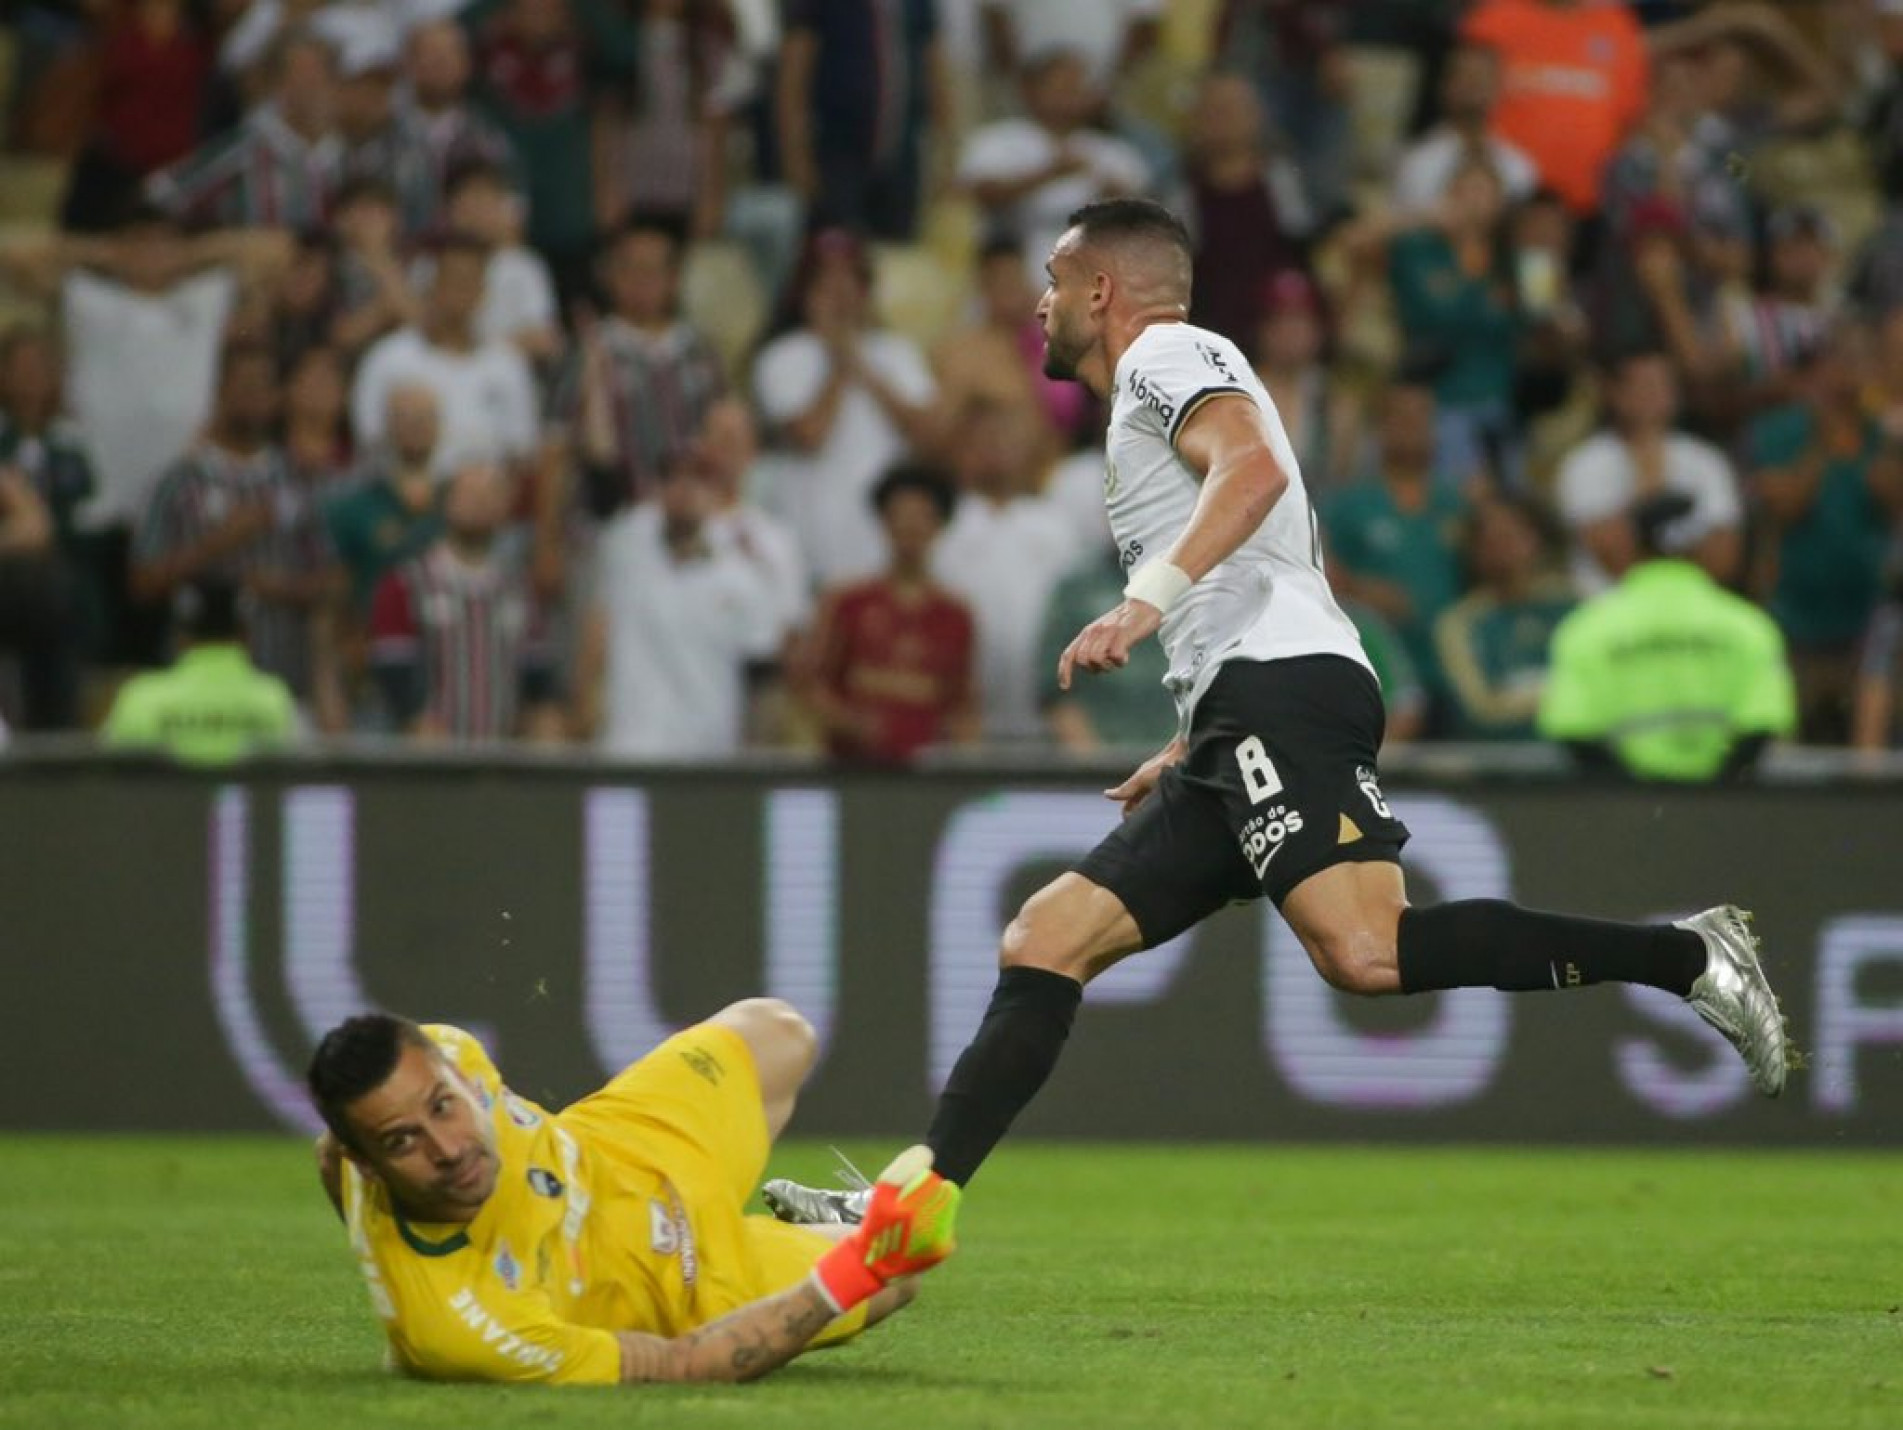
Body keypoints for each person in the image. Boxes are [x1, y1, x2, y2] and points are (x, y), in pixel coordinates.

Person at [763, 200, 1790, 1224]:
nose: (1040, 306)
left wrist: (1142, 602)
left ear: (1101, 291)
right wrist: (1191, 733)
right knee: (1046, 936)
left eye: (1052, 283)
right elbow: (1261, 561)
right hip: (1243, 703)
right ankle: (903, 1204)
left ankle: (1687, 955)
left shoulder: (1167, 353)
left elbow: (1249, 469)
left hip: (1284, 686)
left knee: (1368, 950)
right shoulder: (1153, 391)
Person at [306, 1001, 959, 1384]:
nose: (447, 1149)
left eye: (443, 1106)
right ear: (369, 1164)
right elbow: (681, 1363)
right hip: (682, 1277)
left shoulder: (449, 1050)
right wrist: (863, 1266)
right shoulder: (463, 1326)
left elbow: (328, 1151)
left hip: (622, 1143)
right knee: (896, 1279)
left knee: (782, 1030)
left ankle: (837, 1222)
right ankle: (847, 1228)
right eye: (401, 1143)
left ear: (453, 1075)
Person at [1539, 492, 1796, 782]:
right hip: (1722, 816)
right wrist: (1715, 794)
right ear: (1701, 545)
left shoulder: (1585, 630)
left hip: (1625, 817)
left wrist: (1637, 798)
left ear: (1634, 543)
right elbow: (1761, 726)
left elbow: (1574, 730)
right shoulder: (1749, 627)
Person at [797, 462, 977, 766]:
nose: (910, 527)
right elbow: (811, 686)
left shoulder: (957, 616)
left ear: (940, 525)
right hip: (851, 771)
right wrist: (851, 723)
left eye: (922, 517)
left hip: (927, 780)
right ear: (883, 521)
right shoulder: (846, 603)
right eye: (901, 515)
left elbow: (963, 706)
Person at [367, 460, 560, 742]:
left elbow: (537, 675)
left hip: (501, 753)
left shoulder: (519, 590)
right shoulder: (406, 584)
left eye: (489, 496)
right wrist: (414, 720)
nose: (479, 504)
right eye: (469, 495)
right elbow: (393, 669)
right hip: (429, 758)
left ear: (504, 509)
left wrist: (543, 720)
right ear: (447, 503)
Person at [102, 580, 299, 765]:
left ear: (181, 637)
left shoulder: (140, 697)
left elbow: (104, 778)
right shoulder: (274, 699)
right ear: (246, 636)